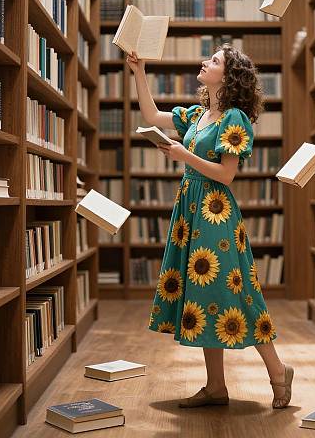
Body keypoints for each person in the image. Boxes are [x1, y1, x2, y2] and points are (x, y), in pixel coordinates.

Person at [126, 44, 293, 409]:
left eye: (214, 60)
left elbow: (227, 175)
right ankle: (216, 386)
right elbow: (152, 115)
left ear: (229, 76)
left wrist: (183, 155)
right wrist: (139, 72)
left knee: (234, 295)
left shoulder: (234, 118)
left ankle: (279, 372)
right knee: (203, 299)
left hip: (215, 213)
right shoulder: (199, 115)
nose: (205, 62)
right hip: (190, 209)